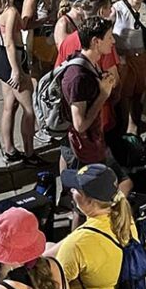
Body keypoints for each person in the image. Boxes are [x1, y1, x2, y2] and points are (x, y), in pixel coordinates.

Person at [54, 164, 141, 289]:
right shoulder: (123, 217)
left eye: (76, 189)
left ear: (89, 201)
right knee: (50, 247)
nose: (71, 191)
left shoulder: (77, 244)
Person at [59, 16, 131, 191]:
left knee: (118, 186)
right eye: (109, 37)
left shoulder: (92, 65)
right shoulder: (77, 76)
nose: (113, 41)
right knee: (86, 201)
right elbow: (80, 124)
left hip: (95, 144)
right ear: (95, 42)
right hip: (81, 149)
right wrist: (103, 95)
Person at [0, 0, 44, 166]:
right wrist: (17, 70)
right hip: (10, 59)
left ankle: (9, 149)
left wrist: (44, 19)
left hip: (1, 60)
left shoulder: (1, 8)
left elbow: (21, 27)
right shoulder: (11, 11)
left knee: (9, 106)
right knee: (28, 109)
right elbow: (10, 43)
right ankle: (30, 154)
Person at [112, 0, 146, 135]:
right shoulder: (116, 9)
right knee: (122, 99)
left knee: (139, 98)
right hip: (122, 60)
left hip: (141, 59)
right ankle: (122, 133)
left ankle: (134, 133)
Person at [22, 0, 67, 77]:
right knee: (40, 73)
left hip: (49, 38)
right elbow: (25, 24)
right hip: (38, 39)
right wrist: (48, 19)